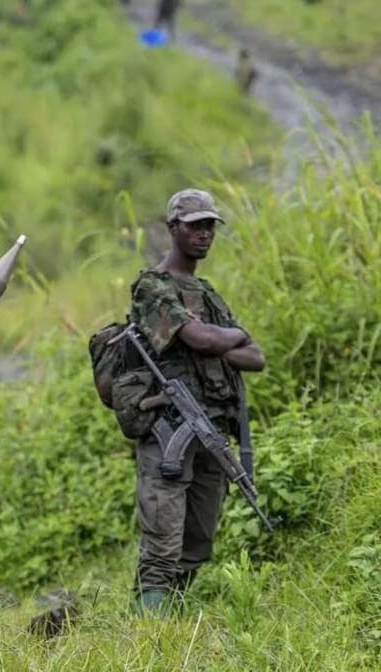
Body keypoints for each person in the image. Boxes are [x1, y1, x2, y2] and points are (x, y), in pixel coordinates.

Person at [128, 189, 265, 613]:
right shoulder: (152, 287)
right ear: (173, 229)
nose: (204, 234)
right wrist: (223, 340)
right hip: (168, 429)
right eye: (194, 225)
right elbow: (200, 337)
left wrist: (219, 343)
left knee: (198, 539)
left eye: (209, 226)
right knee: (162, 542)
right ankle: (147, 634)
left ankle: (174, 620)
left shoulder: (206, 293)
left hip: (211, 430)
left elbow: (255, 357)